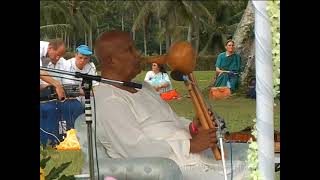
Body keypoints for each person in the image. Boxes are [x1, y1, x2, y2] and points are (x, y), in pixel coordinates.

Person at [92, 31, 248, 179]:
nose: (138, 54)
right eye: (130, 50)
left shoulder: (142, 86)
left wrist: (193, 128)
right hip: (173, 169)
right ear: (111, 60)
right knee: (251, 170)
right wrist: (190, 145)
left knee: (258, 158)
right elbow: (136, 149)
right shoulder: (108, 99)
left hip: (192, 157)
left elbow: (171, 121)